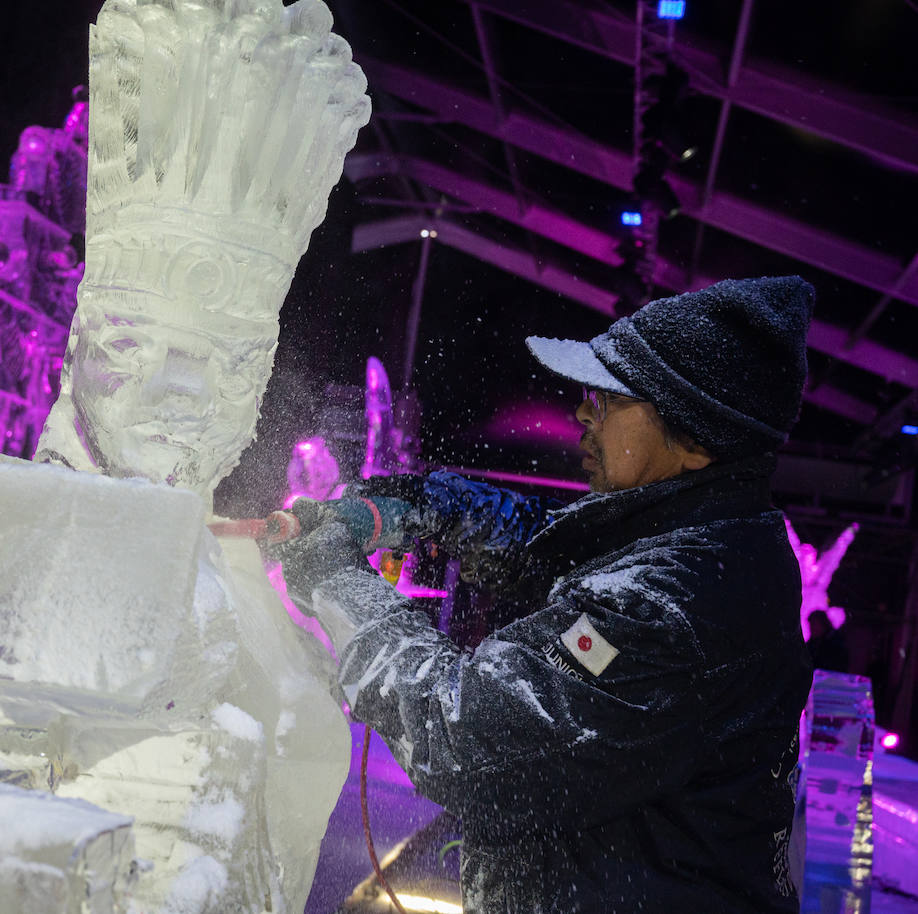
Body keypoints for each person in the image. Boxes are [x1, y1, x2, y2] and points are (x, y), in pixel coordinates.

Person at [279, 276, 817, 913]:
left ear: (695, 439)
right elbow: (545, 540)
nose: (583, 414)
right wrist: (402, 508)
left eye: (610, 399)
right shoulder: (696, 531)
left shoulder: (672, 604)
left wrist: (340, 584)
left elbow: (463, 732)